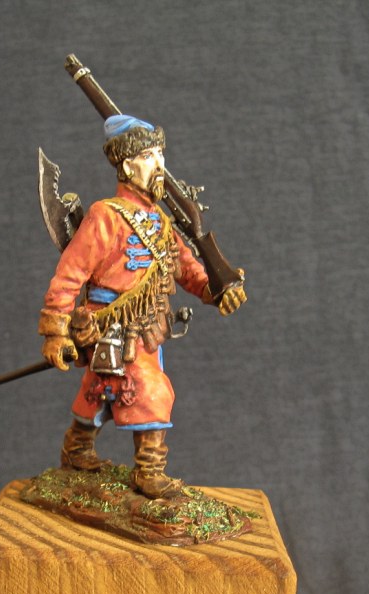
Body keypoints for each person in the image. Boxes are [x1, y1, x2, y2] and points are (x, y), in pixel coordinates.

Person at [38, 114, 246, 499]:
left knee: (100, 389)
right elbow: (70, 274)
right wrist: (56, 331)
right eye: (150, 156)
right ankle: (149, 471)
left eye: (161, 155)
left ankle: (77, 448)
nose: (160, 165)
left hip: (145, 327)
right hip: (110, 325)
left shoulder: (161, 222)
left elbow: (188, 270)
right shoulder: (106, 215)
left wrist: (217, 291)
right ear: (128, 165)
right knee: (150, 389)